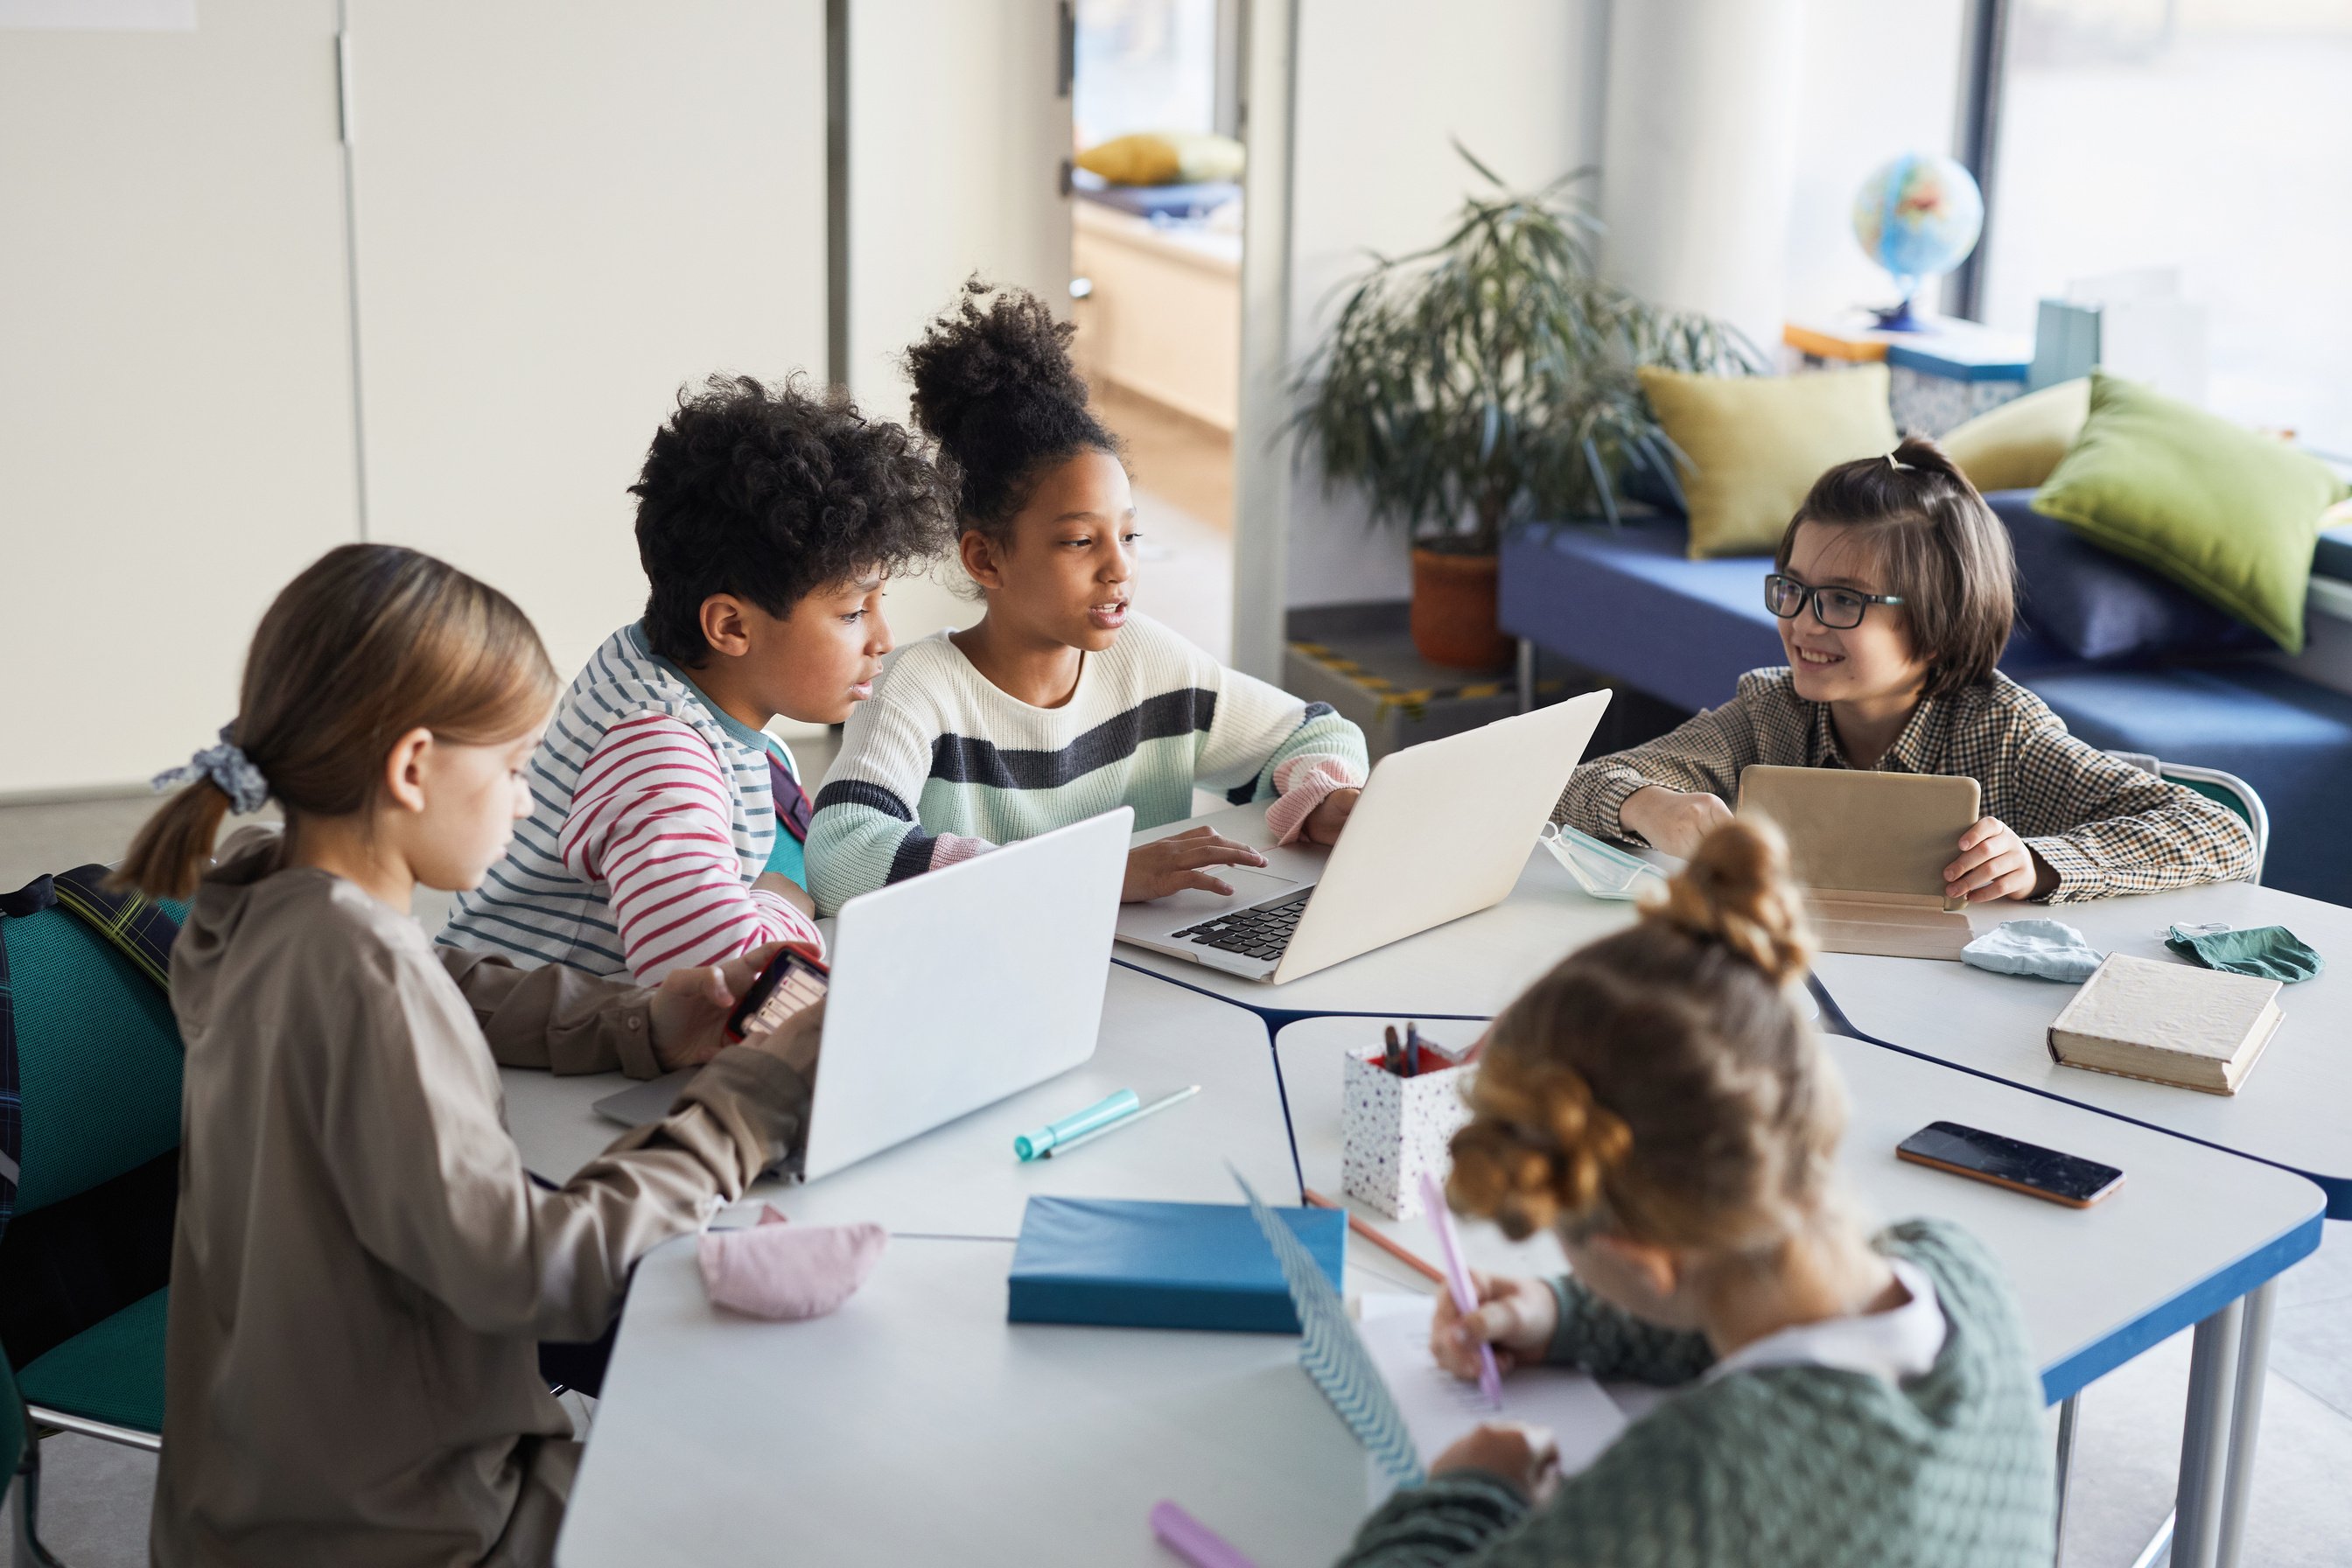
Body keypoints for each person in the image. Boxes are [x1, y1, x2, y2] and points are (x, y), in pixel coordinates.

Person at [119, 544, 824, 1568]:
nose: (528, 801)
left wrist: (639, 1020)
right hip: (410, 1529)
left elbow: (441, 975)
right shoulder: (359, 977)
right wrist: (746, 1107)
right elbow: (538, 1274)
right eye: (513, 768)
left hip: (258, 1491)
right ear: (411, 767)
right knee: (794, 1492)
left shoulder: (259, 899)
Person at [1338, 819, 2054, 1567]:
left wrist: (1471, 1489)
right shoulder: (1956, 1266)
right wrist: (1561, 1315)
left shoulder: (1703, 1475)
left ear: (1644, 1261)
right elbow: (1755, 1301)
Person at [806, 281, 1369, 916]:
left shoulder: (1152, 664)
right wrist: (1091, 873)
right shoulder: (916, 691)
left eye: (1129, 535)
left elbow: (1317, 733)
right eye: (1079, 541)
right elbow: (841, 860)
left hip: (1142, 975)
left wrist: (1319, 799)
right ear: (985, 558)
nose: (1118, 567)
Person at [1553, 437, 2254, 903]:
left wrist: (2040, 864)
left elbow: (2217, 830)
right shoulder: (1770, 712)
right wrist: (1648, 805)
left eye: (1842, 602)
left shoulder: (2001, 733)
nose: (1801, 623)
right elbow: (1572, 788)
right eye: (1792, 588)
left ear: (1940, 624)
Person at [441, 374, 956, 992]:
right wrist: (781, 904)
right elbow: (722, 980)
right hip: (534, 1059)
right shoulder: (657, 751)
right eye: (852, 613)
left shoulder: (655, 663)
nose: (883, 639)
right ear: (730, 626)